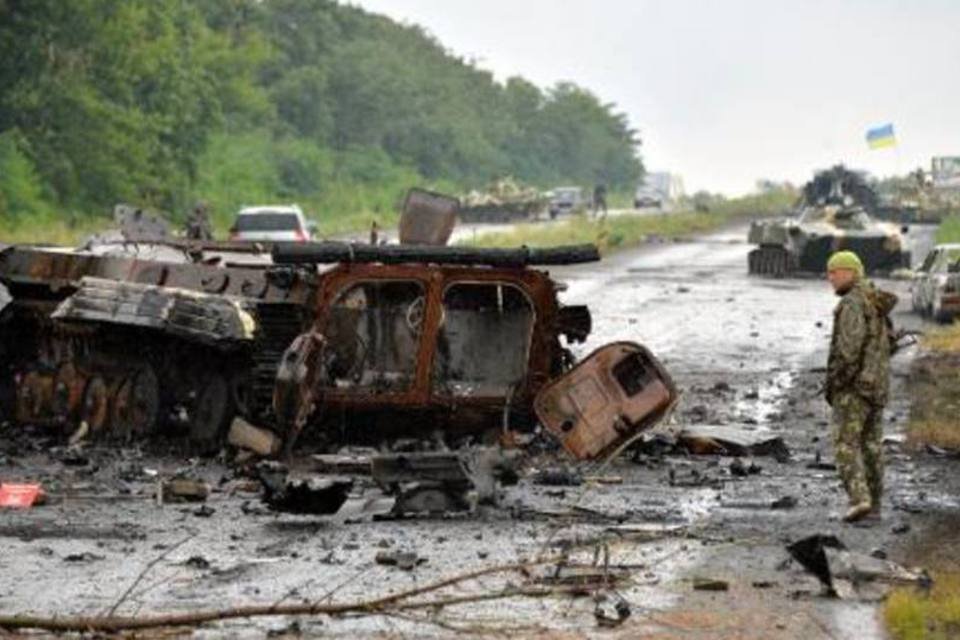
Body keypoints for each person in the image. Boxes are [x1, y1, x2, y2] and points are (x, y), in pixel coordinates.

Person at [825, 250, 896, 522]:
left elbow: (848, 351)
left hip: (855, 388)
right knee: (871, 445)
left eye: (835, 272)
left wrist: (837, 384)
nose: (830, 278)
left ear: (851, 273)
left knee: (845, 443)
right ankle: (874, 507)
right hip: (877, 385)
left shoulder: (853, 304)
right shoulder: (874, 301)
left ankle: (859, 499)